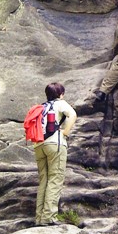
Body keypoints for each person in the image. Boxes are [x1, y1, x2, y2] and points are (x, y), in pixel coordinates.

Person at [33, 82, 76, 226]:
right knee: (55, 179)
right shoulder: (60, 103)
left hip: (39, 145)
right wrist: (65, 132)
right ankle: (49, 217)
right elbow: (73, 115)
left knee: (43, 180)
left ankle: (39, 218)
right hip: (55, 144)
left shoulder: (41, 107)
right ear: (61, 94)